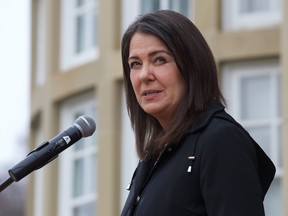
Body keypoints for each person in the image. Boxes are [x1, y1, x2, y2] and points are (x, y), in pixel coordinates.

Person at [120, 10, 275, 216]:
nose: (144, 75)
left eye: (159, 60)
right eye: (135, 64)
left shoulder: (221, 140)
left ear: (191, 66)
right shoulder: (154, 156)